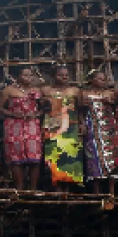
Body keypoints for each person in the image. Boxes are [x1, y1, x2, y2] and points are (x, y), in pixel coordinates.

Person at [0, 66, 43, 190]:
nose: (29, 78)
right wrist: (12, 114)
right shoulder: (8, 90)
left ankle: (33, 190)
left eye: (31, 75)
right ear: (17, 77)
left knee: (35, 157)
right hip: (14, 127)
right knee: (16, 157)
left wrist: (35, 114)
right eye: (25, 75)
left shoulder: (36, 90)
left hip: (32, 126)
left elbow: (44, 109)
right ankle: (20, 189)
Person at [40, 64, 84, 192]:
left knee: (70, 155)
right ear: (54, 76)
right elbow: (41, 108)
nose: (64, 78)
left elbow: (80, 109)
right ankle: (57, 188)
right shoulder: (46, 90)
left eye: (66, 75)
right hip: (52, 127)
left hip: (71, 127)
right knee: (54, 156)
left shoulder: (75, 91)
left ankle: (67, 189)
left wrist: (82, 124)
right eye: (60, 75)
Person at [81, 69, 118, 195]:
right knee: (93, 156)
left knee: (112, 157)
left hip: (109, 127)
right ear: (92, 80)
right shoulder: (84, 93)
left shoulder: (110, 93)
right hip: (92, 127)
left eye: (104, 79)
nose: (102, 81)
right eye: (99, 79)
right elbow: (80, 110)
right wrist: (82, 123)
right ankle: (96, 192)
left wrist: (112, 103)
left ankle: (111, 191)